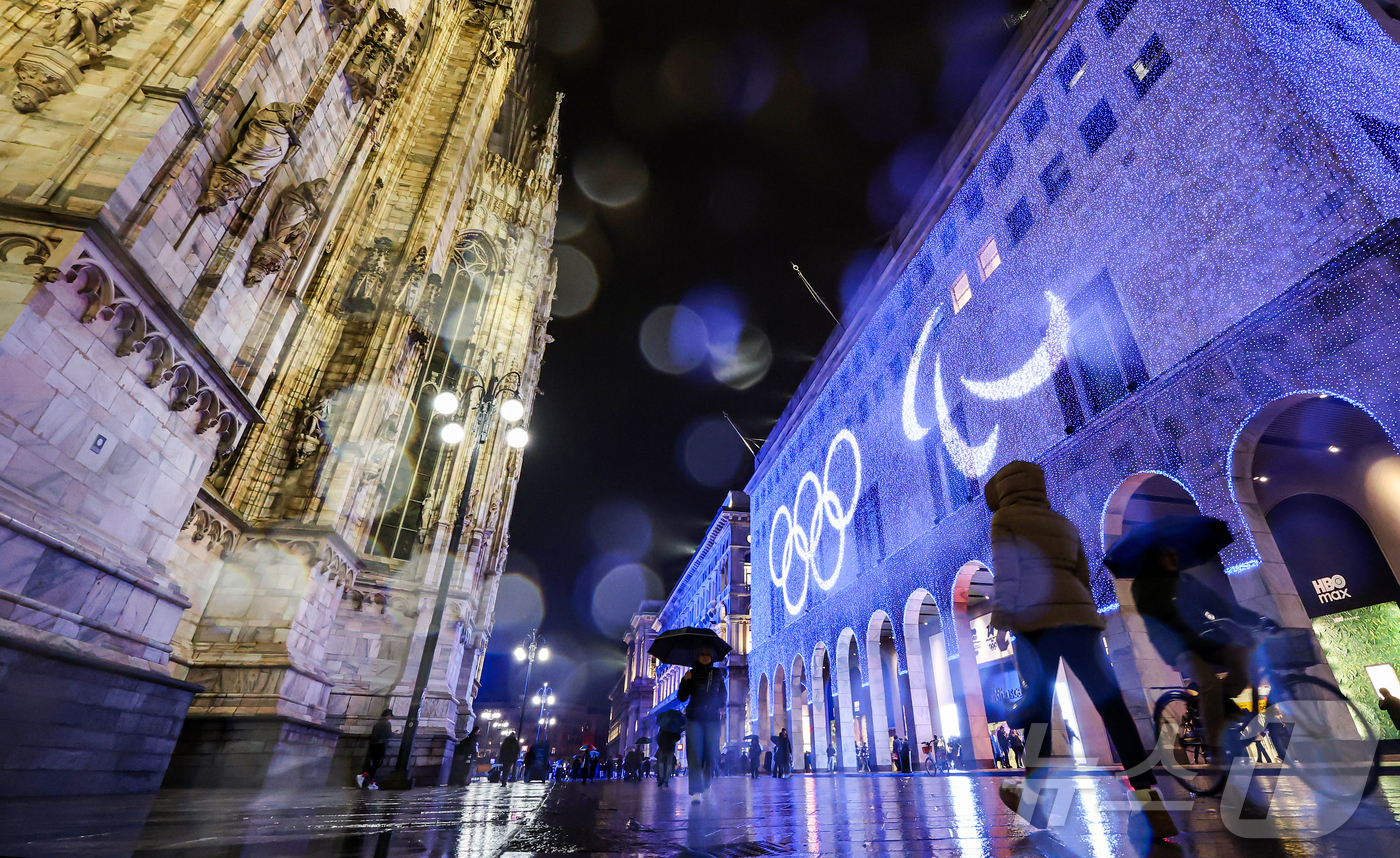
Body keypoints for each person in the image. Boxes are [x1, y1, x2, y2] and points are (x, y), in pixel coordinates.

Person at [984, 461, 1175, 839]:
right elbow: (1082, 575)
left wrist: (1002, 621)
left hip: (1035, 621)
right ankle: (1151, 802)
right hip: (1080, 619)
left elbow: (1008, 574)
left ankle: (1035, 796)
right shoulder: (1062, 522)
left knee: (1038, 708)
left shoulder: (1004, 519)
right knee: (1112, 705)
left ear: (1005, 490)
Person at [1131, 542, 1271, 763]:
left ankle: (1222, 705)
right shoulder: (1144, 584)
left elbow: (1219, 605)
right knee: (1209, 683)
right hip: (1176, 645)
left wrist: (1257, 619)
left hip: (1204, 640)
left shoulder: (1186, 580)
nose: (1173, 557)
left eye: (1174, 552)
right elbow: (1157, 617)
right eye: (1167, 554)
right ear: (1155, 558)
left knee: (1243, 657)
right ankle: (1215, 748)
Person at [678, 646, 728, 801]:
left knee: (711, 753)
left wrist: (716, 704)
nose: (705, 656)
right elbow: (682, 697)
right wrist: (685, 682)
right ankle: (696, 791)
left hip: (712, 718)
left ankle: (706, 783)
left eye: (708, 654)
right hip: (694, 717)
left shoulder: (717, 673)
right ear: (697, 657)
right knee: (694, 754)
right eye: (702, 654)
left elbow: (723, 695)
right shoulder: (691, 673)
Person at [357, 708, 394, 789]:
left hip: (373, 744)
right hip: (381, 744)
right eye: (390, 716)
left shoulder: (377, 724)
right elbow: (388, 735)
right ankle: (362, 776)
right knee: (378, 764)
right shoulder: (387, 723)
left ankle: (371, 782)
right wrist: (393, 734)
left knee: (374, 763)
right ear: (388, 715)